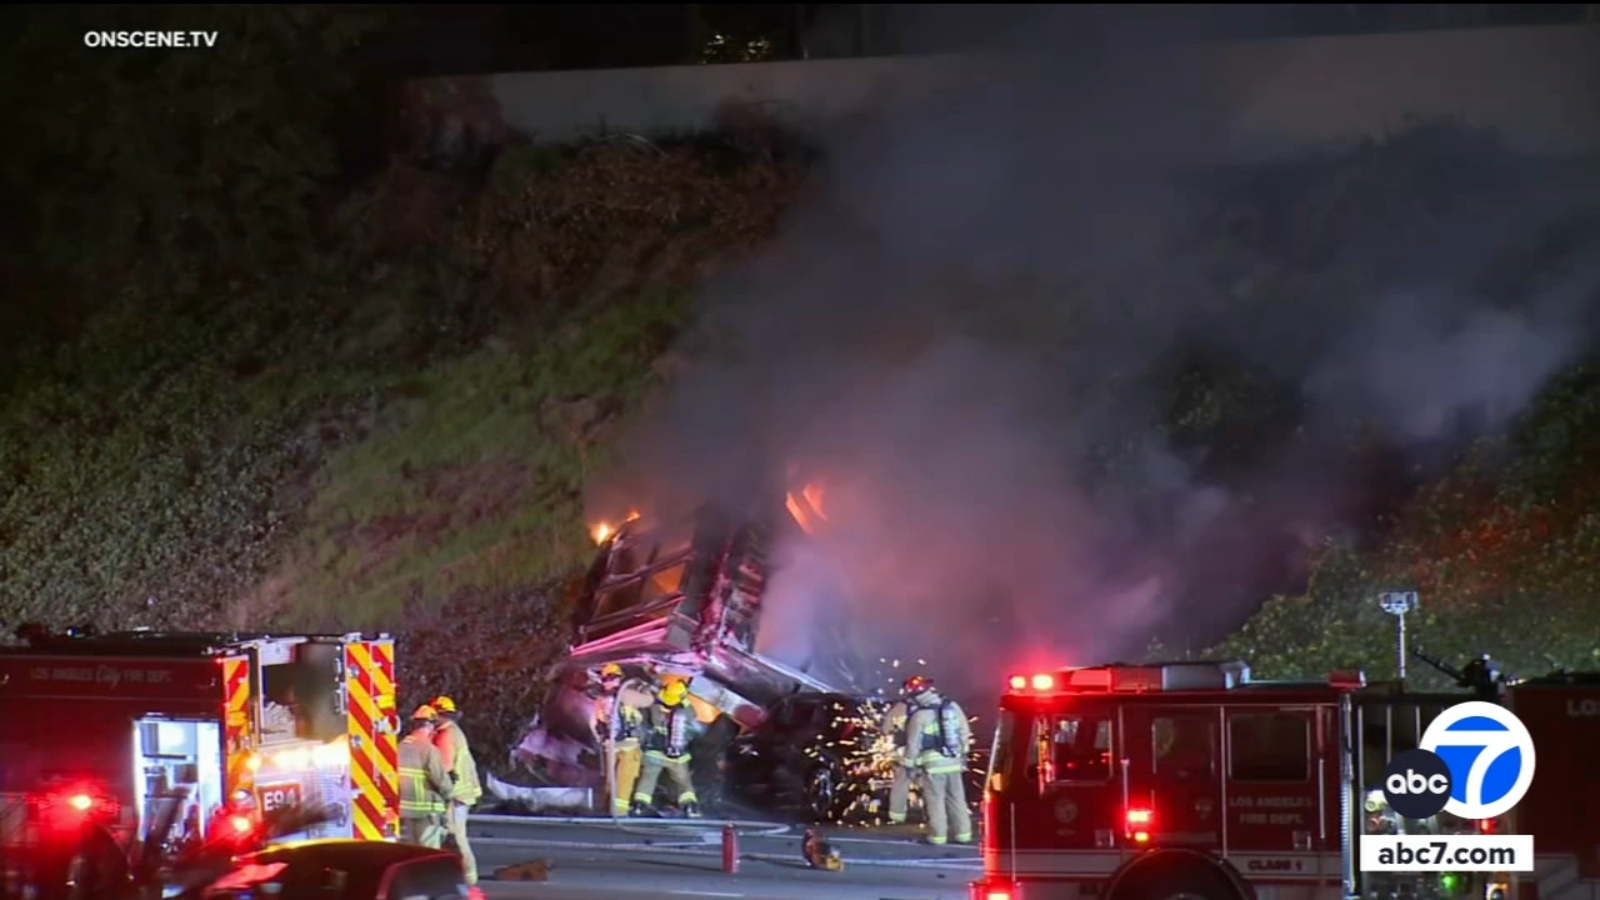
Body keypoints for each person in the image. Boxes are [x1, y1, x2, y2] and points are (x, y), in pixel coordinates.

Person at [903, 675, 974, 845]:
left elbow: (912, 745)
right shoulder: (952, 707)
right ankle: (963, 835)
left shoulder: (919, 716)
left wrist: (908, 766)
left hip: (933, 767)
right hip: (954, 763)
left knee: (935, 801)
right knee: (957, 799)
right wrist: (962, 755)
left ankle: (938, 836)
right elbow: (965, 733)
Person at [431, 695, 483, 885]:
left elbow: (443, 768)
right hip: (462, 794)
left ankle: (468, 879)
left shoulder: (445, 736)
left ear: (440, 715)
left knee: (457, 837)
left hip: (455, 796)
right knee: (458, 836)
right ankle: (467, 877)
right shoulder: (455, 732)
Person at [631, 680, 701, 818]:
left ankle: (639, 804)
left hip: (655, 752)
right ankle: (690, 806)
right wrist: (684, 698)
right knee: (683, 782)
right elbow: (693, 715)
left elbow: (647, 707)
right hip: (677, 756)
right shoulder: (685, 712)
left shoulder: (654, 707)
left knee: (648, 778)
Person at [398, 705, 452, 848]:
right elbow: (440, 780)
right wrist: (449, 793)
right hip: (427, 811)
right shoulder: (429, 749)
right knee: (429, 852)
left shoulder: (400, 746)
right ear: (429, 725)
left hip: (407, 810)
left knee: (412, 851)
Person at [595, 663, 644, 817]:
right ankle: (619, 813)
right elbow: (646, 705)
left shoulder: (601, 700)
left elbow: (599, 723)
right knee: (624, 780)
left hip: (611, 746)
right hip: (628, 746)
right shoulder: (628, 696)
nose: (610, 682)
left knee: (611, 781)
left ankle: (607, 809)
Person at [882, 694, 915, 825]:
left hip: (901, 752)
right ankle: (931, 814)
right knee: (927, 784)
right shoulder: (926, 708)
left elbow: (886, 730)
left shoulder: (898, 708)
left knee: (901, 783)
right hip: (921, 752)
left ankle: (897, 816)